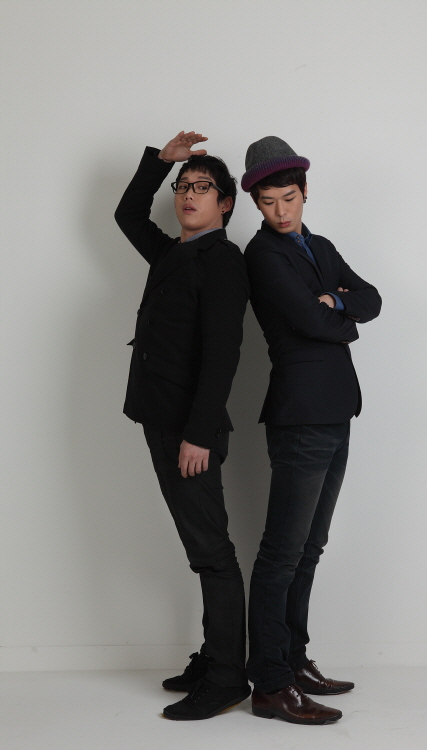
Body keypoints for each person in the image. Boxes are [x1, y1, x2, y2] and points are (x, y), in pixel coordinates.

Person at [241, 136, 382, 725]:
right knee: (282, 553)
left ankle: (294, 661)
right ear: (257, 204)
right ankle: (270, 684)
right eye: (268, 202)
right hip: (299, 416)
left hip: (337, 409)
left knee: (309, 549)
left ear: (304, 192)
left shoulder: (320, 246)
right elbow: (310, 321)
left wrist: (339, 304)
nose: (280, 211)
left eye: (289, 198)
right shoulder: (261, 255)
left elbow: (371, 298)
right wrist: (338, 313)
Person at [115, 131, 250, 720]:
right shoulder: (175, 252)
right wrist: (158, 162)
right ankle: (214, 656)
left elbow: (223, 355)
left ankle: (227, 677)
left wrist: (198, 434)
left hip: (190, 431)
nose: (189, 194)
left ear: (225, 203)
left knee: (212, 552)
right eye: (183, 186)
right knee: (201, 550)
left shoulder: (223, 261)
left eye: (203, 187)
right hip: (161, 418)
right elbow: (127, 214)